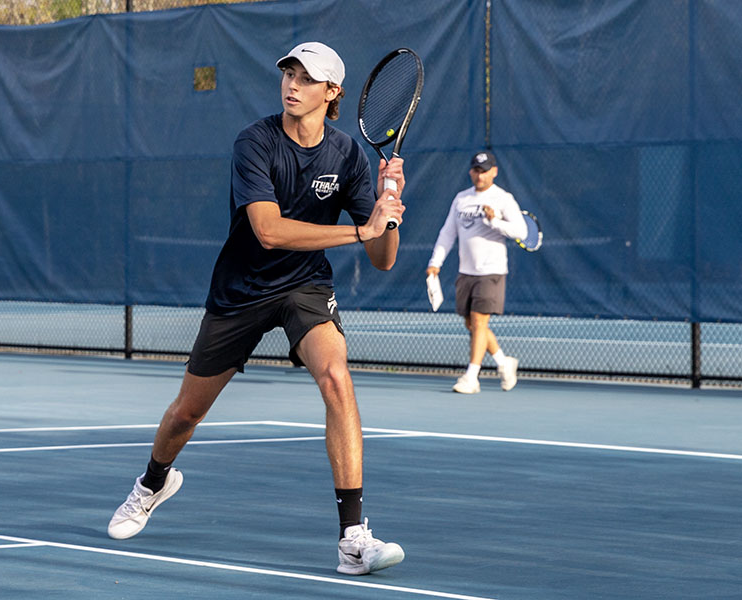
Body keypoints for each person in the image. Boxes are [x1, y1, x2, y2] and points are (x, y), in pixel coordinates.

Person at [108, 41, 406, 576]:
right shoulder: (255, 141)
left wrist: (387, 215)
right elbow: (267, 232)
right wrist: (360, 228)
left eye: (307, 77)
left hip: (305, 287)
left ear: (332, 92)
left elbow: (382, 258)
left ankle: (353, 539)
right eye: (288, 73)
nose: (292, 84)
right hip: (242, 289)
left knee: (337, 377)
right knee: (187, 412)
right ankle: (152, 483)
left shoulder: (348, 157)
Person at [425, 151, 526, 394]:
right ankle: (504, 362)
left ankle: (472, 377)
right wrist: (435, 262)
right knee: (472, 323)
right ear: (471, 171)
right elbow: (448, 233)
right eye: (476, 170)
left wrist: (495, 222)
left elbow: (522, 232)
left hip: (491, 271)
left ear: (494, 171)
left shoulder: (503, 199)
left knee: (480, 321)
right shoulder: (461, 199)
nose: (479, 175)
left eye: (484, 170)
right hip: (466, 272)